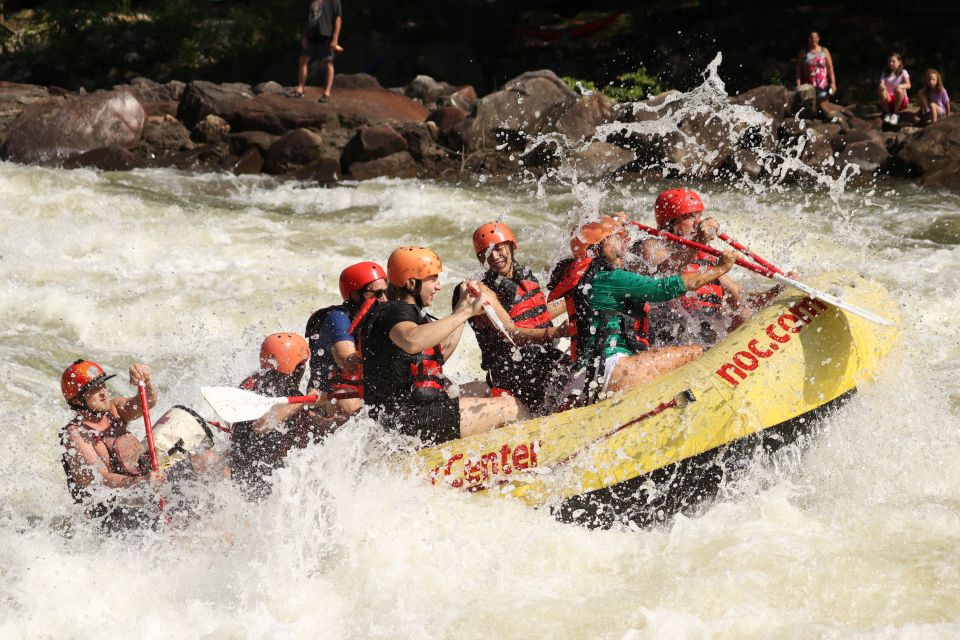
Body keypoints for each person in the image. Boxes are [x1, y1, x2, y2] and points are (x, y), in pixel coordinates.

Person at [548, 215, 738, 404]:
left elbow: (652, 272)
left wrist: (613, 222)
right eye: (618, 237)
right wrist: (720, 268)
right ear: (601, 243)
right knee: (698, 352)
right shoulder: (608, 278)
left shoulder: (583, 280)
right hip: (615, 370)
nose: (625, 243)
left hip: (584, 378)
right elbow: (665, 288)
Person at [356, 246, 530, 445]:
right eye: (434, 279)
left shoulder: (404, 311)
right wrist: (463, 313)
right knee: (511, 407)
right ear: (412, 282)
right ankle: (530, 451)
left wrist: (463, 308)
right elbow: (412, 340)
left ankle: (487, 450)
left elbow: (439, 354)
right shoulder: (393, 312)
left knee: (488, 388)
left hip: (406, 415)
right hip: (408, 420)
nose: (439, 286)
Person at [453, 222, 571, 415]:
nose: (494, 257)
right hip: (513, 372)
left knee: (583, 367)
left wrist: (572, 299)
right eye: (486, 253)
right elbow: (511, 333)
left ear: (511, 246)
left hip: (539, 360)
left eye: (498, 248)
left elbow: (537, 314)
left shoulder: (522, 276)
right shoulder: (484, 290)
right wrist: (556, 332)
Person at [59, 359, 165, 530]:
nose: (103, 392)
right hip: (110, 515)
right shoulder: (75, 434)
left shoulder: (113, 410)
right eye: (94, 388)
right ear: (78, 400)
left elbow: (148, 401)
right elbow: (101, 479)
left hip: (141, 490)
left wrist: (144, 381)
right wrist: (143, 482)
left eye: (102, 385)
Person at [230, 333, 321, 500]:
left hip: (256, 469)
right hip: (258, 477)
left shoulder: (255, 381)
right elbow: (261, 425)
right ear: (294, 366)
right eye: (301, 365)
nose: (303, 369)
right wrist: (304, 401)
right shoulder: (265, 389)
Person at [306, 261, 388, 421]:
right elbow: (348, 364)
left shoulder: (380, 315)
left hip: (362, 390)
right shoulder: (338, 318)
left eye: (386, 292)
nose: (384, 299)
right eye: (377, 294)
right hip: (326, 396)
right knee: (350, 405)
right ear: (355, 295)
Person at [294, 0, 343, 102]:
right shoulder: (311, 1)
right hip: (311, 35)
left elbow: (338, 19)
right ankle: (300, 88)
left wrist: (335, 39)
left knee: (328, 62)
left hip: (325, 35)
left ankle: (327, 93)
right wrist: (304, 36)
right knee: (303, 59)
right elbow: (308, 19)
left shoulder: (334, 1)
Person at [795, 31, 837, 114]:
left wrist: (833, 83)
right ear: (808, 39)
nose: (813, 39)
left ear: (818, 38)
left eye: (815, 37)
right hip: (808, 87)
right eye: (811, 38)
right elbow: (798, 71)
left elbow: (830, 68)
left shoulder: (824, 51)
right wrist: (798, 86)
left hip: (823, 86)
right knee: (811, 110)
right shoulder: (803, 53)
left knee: (824, 108)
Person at [879, 53, 911, 125]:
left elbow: (908, 85)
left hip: (901, 100)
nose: (891, 63)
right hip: (888, 100)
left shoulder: (903, 72)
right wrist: (882, 86)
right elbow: (882, 83)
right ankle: (887, 113)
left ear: (899, 62)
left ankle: (896, 114)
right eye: (889, 61)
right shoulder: (885, 73)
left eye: (893, 61)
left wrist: (900, 86)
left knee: (899, 89)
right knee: (880, 88)